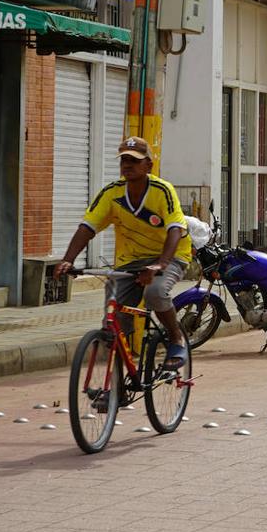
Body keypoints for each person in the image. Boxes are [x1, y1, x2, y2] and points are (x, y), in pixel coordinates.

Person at [56, 137, 193, 370]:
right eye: (124, 161)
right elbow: (87, 227)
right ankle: (114, 389)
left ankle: (175, 337)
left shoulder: (162, 190)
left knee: (156, 292)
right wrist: (68, 260)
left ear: (148, 165)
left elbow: (175, 230)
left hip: (169, 256)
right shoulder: (111, 193)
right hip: (129, 261)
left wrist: (161, 264)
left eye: (134, 161)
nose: (127, 165)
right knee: (113, 325)